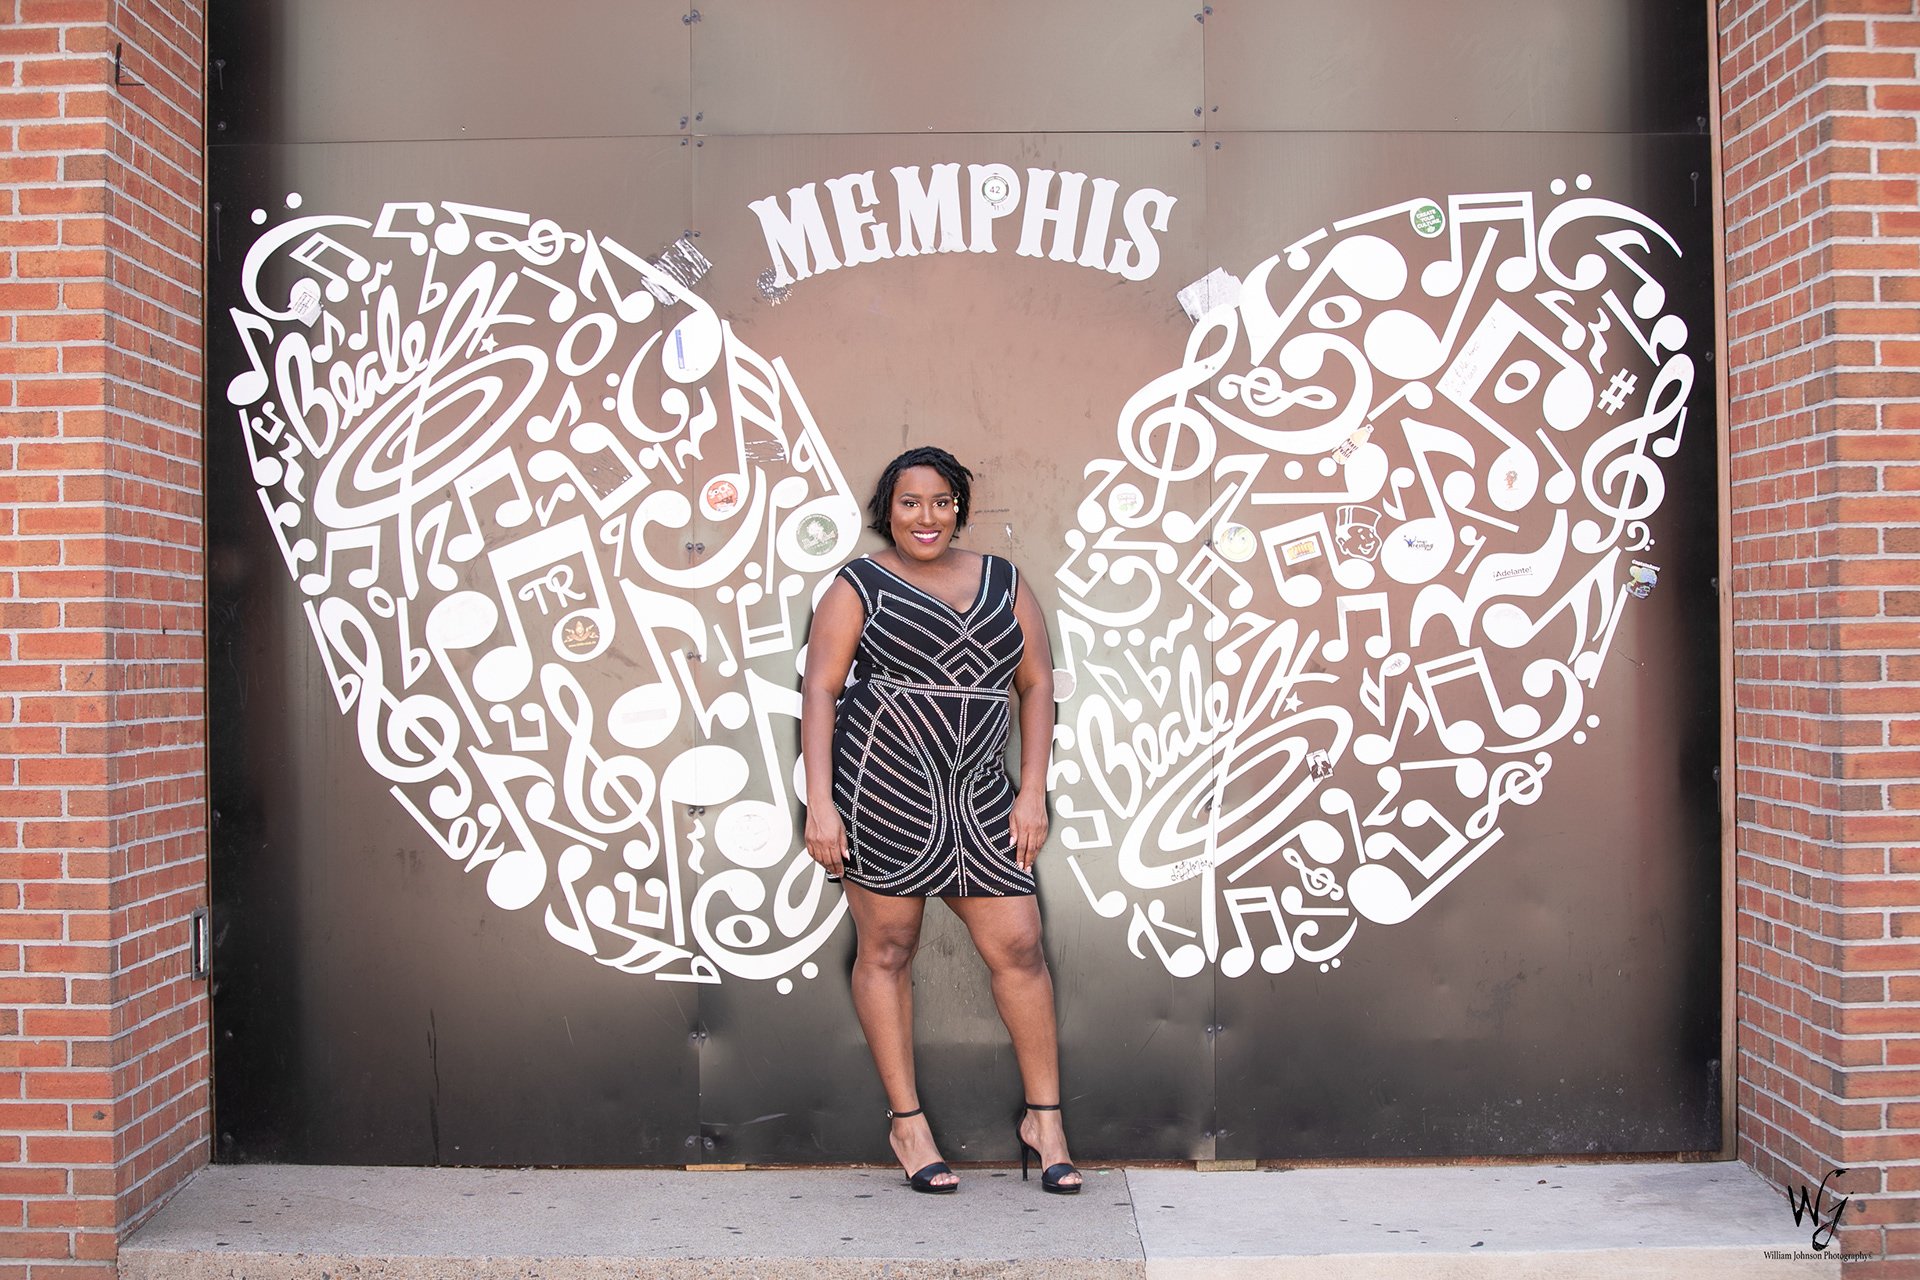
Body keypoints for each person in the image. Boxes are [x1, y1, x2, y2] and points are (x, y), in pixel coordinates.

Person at [801, 446, 1082, 1196]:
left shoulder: (1004, 582)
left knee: (1019, 946)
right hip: (881, 788)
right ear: (887, 511)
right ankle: (908, 1125)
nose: (925, 517)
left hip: (981, 792)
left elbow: (1037, 684)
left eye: (940, 502)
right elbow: (821, 691)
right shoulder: (859, 584)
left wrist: (1032, 791)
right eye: (909, 502)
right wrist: (822, 804)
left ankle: (1045, 1122)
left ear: (958, 508)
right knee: (888, 948)